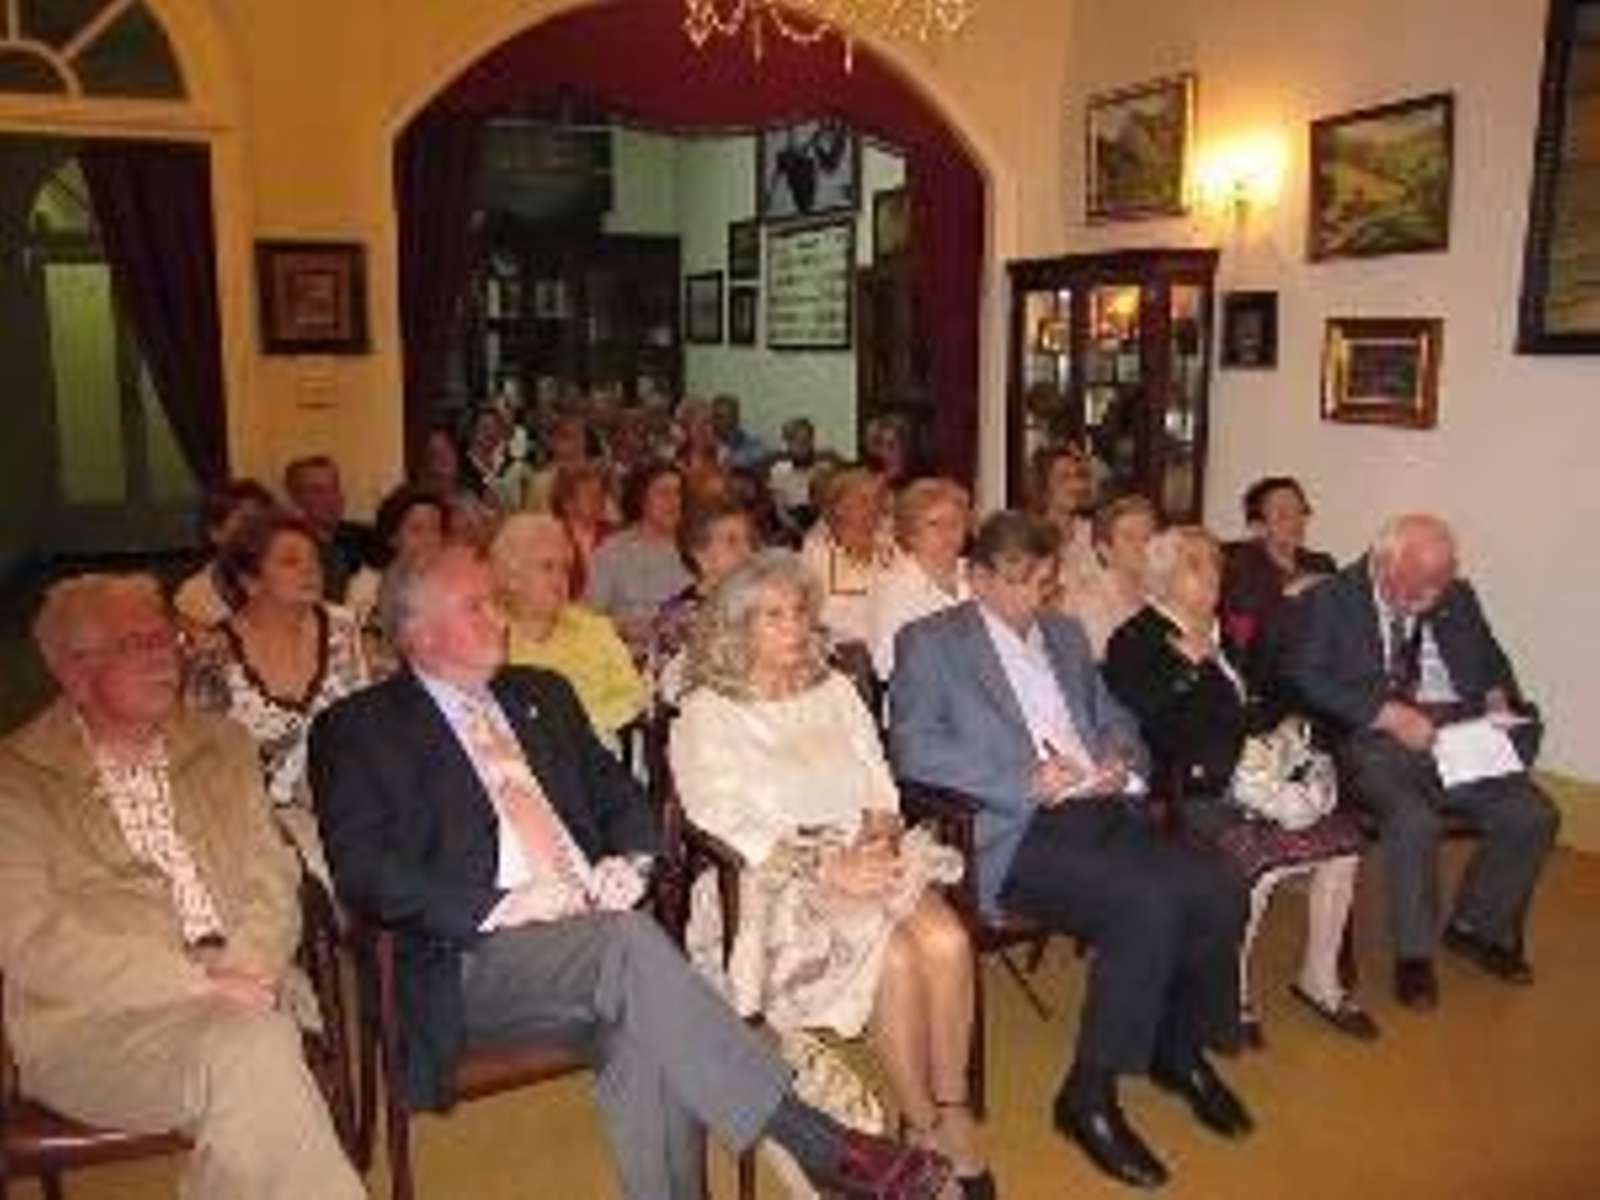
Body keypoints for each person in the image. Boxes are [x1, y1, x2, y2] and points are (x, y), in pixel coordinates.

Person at [306, 544, 951, 1200]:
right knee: (630, 948)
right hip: (469, 959)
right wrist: (504, 905)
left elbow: (623, 798)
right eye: (479, 606)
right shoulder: (358, 729)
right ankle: (828, 1147)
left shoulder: (540, 694)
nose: (500, 618)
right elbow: (363, 872)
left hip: (595, 944)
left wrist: (631, 860)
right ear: (420, 631)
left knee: (645, 1022)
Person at [890, 511, 1250, 1191]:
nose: (1035, 600)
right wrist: (1022, 779)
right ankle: (1087, 1096)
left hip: (1099, 806)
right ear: (978, 576)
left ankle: (1177, 1047)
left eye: (1046, 582)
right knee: (1143, 904)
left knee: (1217, 883)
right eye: (1019, 584)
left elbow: (1115, 716)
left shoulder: (1063, 632)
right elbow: (914, 748)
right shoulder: (931, 643)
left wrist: (1118, 755)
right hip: (1013, 829)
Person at [0, 574, 364, 1200]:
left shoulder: (222, 743)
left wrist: (245, 968)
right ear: (72, 671)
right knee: (257, 1054)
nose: (163, 658)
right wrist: (198, 982)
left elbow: (272, 876)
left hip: (251, 989)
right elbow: (29, 939)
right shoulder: (18, 780)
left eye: (163, 639)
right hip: (96, 1024)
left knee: (252, 1052)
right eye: (133, 645)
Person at [671, 550, 993, 1199]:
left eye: (799, 613)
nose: (794, 628)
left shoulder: (837, 687)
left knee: (948, 941)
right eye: (773, 617)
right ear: (736, 628)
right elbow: (715, 816)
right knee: (899, 961)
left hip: (866, 854)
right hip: (772, 883)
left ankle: (952, 1112)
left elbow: (877, 773)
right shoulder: (707, 710)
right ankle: (923, 1128)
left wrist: (877, 831)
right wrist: (826, 864)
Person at [1103, 528, 1376, 1048]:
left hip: (1261, 774)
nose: (1214, 577)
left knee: (1344, 848)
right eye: (1197, 567)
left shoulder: (1224, 630)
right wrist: (1191, 668)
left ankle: (1320, 979)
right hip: (1192, 785)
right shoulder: (1135, 639)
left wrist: (1282, 714)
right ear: (1163, 579)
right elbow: (1153, 724)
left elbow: (1265, 699)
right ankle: (1232, 993)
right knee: (1262, 866)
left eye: (1214, 566)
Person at [1283, 514, 1560, 1010]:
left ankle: (1476, 925)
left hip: (1459, 736)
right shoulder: (1330, 600)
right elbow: (1303, 677)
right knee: (1413, 820)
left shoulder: (1458, 594)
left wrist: (1497, 695)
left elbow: (1492, 660)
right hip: (1376, 742)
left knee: (1533, 815)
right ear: (1383, 563)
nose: (1431, 598)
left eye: (1439, 585)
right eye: (1417, 589)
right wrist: (1384, 713)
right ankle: (1414, 956)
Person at [185, 510, 369, 874]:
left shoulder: (345, 628)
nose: (311, 570)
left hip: (352, 805)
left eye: (314, 560)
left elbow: (369, 726)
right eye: (290, 561)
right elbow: (203, 764)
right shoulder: (215, 655)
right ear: (250, 580)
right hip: (259, 824)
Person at [491, 513, 647, 749]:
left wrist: (577, 726)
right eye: (547, 567)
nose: (560, 579)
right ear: (512, 577)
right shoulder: (489, 637)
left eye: (565, 568)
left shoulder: (595, 629)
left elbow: (635, 696)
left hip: (598, 758)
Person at [1220, 476, 1337, 696]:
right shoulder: (1238, 570)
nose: (1296, 521)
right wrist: (1289, 597)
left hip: (1320, 674)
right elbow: (1246, 648)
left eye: (1300, 511)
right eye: (1283, 515)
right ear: (1258, 527)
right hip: (1266, 680)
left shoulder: (1321, 563)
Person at [649, 498, 758, 702]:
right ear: (700, 554)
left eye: (748, 540)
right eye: (732, 541)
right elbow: (672, 693)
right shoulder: (678, 617)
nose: (747, 551)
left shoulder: (763, 600)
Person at [868, 477, 972, 680]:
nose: (947, 532)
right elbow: (886, 664)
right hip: (923, 695)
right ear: (911, 532)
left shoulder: (979, 574)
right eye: (934, 524)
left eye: (955, 522)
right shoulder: (892, 587)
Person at [587, 461, 693, 655]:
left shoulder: (694, 548)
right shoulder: (612, 551)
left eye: (678, 493)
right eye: (663, 493)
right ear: (641, 498)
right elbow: (590, 618)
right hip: (631, 660)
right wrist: (627, 628)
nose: (673, 501)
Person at [344, 484, 450, 675]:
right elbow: (361, 653)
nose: (429, 539)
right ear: (392, 537)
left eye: (436, 529)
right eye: (416, 529)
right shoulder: (367, 585)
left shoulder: (453, 583)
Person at [801, 466, 898, 648]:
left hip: (896, 647)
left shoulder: (892, 539)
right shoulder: (816, 549)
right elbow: (813, 615)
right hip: (841, 652)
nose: (874, 507)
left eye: (878, 498)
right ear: (838, 507)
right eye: (863, 500)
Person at [1056, 494, 1159, 660]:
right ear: (1105, 550)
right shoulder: (1086, 600)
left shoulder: (1160, 595)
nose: (1143, 545)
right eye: (1130, 537)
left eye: (1149, 535)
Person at [172, 478, 276, 631]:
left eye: (264, 521)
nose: (258, 531)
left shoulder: (287, 579)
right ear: (215, 533)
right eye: (245, 521)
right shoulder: (194, 596)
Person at [282, 454, 372, 603]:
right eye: (318, 491)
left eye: (335, 487)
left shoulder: (366, 537)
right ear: (296, 498)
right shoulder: (289, 547)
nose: (331, 498)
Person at [1028, 442, 1099, 595]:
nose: (1075, 485)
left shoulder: (1095, 532)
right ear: (1043, 484)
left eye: (1079, 476)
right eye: (1063, 477)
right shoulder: (1028, 535)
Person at [550, 460, 617, 597]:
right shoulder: (550, 536)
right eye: (589, 495)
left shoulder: (615, 534)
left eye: (600, 495)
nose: (598, 500)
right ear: (567, 503)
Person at [712, 392, 769, 472]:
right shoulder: (707, 441)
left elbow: (760, 454)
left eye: (720, 417)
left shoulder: (750, 443)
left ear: (735, 418)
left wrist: (729, 460)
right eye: (714, 417)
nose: (715, 422)